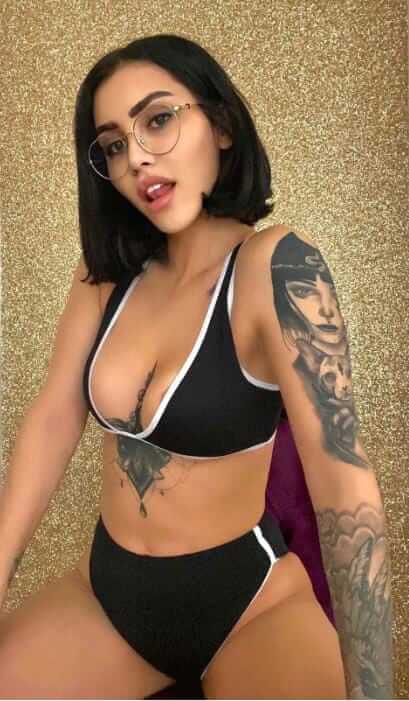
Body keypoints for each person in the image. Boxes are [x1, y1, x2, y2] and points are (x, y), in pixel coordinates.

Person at [0, 33, 392, 700]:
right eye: (113, 146)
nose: (136, 158)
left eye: (157, 120)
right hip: (108, 595)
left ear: (222, 125)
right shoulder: (106, 275)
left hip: (248, 609)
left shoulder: (280, 267)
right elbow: (53, 419)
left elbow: (343, 485)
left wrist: (373, 690)